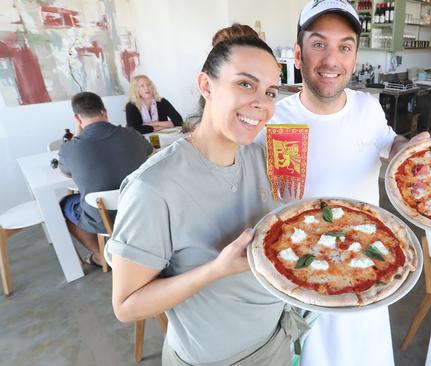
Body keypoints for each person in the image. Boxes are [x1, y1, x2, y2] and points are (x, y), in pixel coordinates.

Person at [106, 25, 307, 366]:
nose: (261, 103)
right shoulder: (153, 187)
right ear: (206, 85)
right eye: (245, 84)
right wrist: (215, 270)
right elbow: (126, 306)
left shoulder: (264, 156)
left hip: (279, 340)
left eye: (271, 92)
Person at [255, 1, 429, 365]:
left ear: (354, 56)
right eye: (319, 44)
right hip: (295, 281)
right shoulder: (272, 120)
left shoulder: (368, 107)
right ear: (298, 54)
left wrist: (405, 149)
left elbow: (388, 142)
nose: (332, 60)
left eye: (344, 46)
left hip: (370, 267)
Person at [58, 91, 152, 266]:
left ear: (77, 119)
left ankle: (100, 256)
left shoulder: (70, 148)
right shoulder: (131, 134)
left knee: (65, 205)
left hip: (103, 217)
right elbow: (149, 151)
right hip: (140, 210)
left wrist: (77, 135)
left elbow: (65, 172)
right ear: (105, 112)